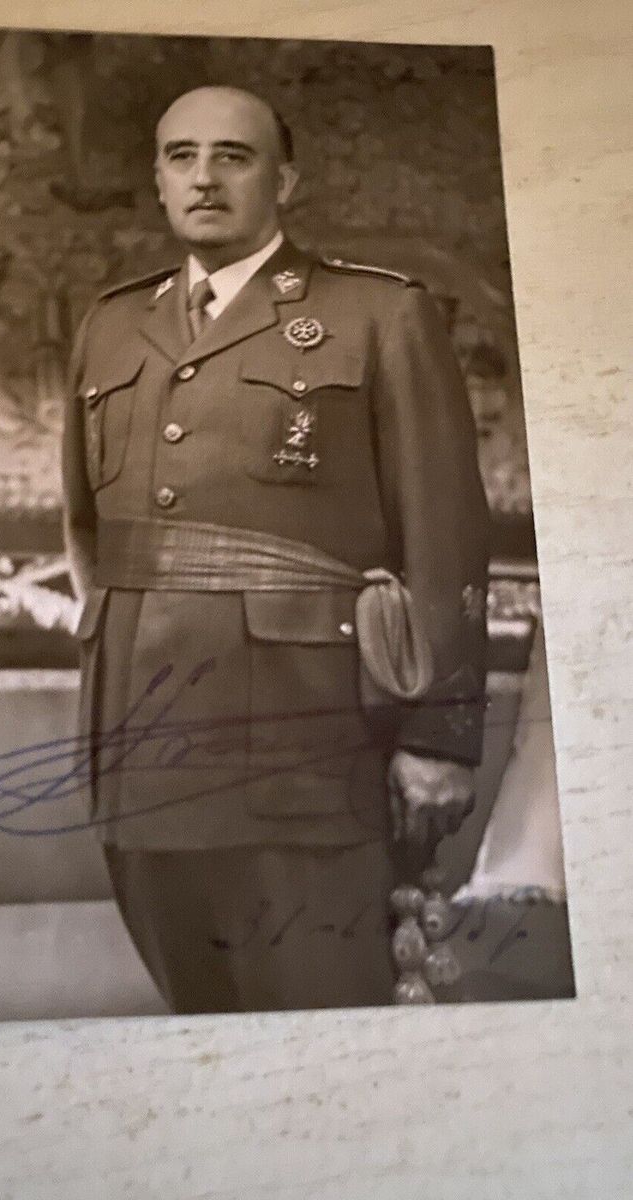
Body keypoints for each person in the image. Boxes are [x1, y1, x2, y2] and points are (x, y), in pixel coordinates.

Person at [61, 86, 490, 1013]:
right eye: (181, 156)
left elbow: (447, 533)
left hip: (310, 742)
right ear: (158, 179)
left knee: (323, 1013)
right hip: (138, 735)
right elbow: (89, 532)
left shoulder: (376, 314)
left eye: (234, 156)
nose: (203, 178)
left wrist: (439, 734)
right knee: (196, 1015)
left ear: (284, 180)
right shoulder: (110, 325)